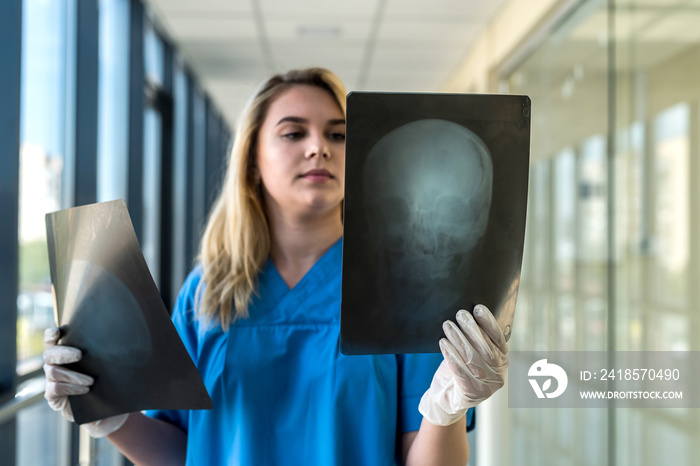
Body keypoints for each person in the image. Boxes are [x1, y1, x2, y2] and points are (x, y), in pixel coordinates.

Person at [43, 67, 508, 465]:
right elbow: (181, 451)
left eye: (337, 133)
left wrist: (447, 411)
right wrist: (110, 416)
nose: (319, 148)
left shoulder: (401, 291)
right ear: (252, 159)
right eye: (293, 132)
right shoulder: (206, 292)